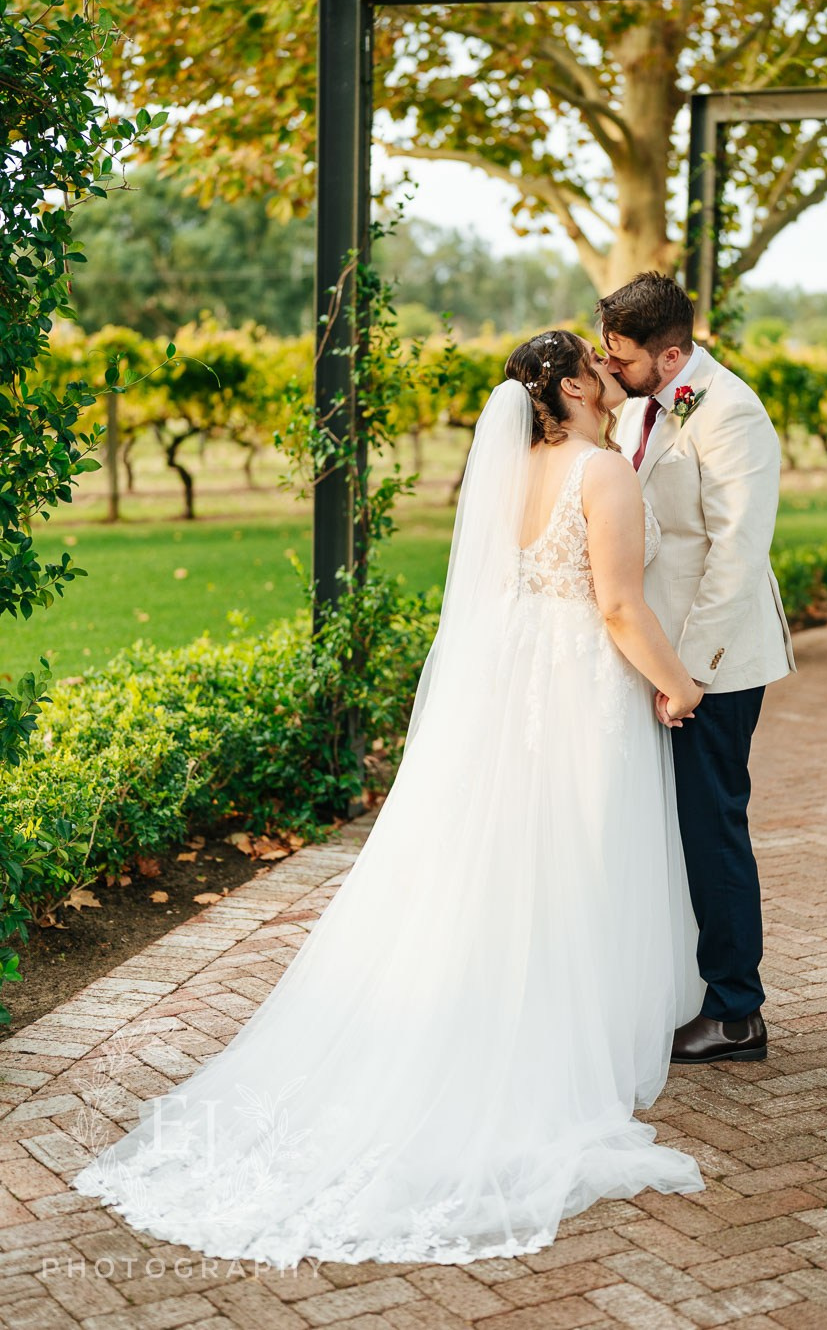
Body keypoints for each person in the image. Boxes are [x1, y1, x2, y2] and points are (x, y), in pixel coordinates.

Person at [72, 330, 707, 1269]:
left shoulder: (515, 470)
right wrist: (679, 684)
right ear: (573, 388)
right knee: (575, 850)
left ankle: (498, 1007)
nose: (610, 374)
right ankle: (553, 1043)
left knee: (505, 854)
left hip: (513, 680)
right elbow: (616, 606)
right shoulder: (601, 471)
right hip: (578, 686)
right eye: (595, 364)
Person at [600, 273, 796, 1065]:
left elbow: (736, 556)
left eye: (622, 355)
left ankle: (736, 1012)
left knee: (712, 830)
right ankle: (678, 989)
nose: (611, 367)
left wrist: (692, 675)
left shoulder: (733, 414)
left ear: (672, 354)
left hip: (714, 664)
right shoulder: (642, 405)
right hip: (657, 657)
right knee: (670, 828)